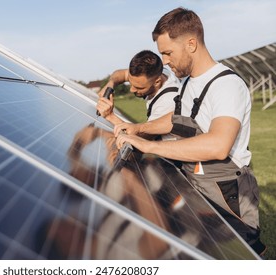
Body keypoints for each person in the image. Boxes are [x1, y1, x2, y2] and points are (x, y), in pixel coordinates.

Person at [114, 7, 266, 256]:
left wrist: (150, 145)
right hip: (197, 182)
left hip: (227, 194)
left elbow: (218, 145)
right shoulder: (187, 82)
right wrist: (138, 128)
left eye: (168, 53)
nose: (164, 61)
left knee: (238, 253)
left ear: (192, 44)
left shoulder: (226, 85)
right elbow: (176, 120)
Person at [96, 50, 180, 140]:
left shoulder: (168, 101)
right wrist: (110, 84)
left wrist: (110, 116)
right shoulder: (157, 72)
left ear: (157, 82)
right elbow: (121, 74)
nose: (132, 90)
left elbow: (141, 138)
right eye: (131, 83)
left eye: (139, 88)